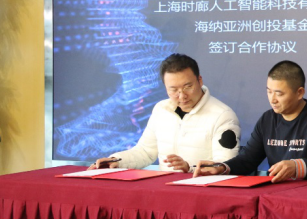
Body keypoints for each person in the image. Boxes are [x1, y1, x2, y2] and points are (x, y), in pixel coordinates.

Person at [194, 60, 307, 182]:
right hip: (277, 192)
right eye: (269, 91)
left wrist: (297, 166)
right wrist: (222, 168)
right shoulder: (267, 119)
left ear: (299, 93)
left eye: (279, 94)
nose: (272, 99)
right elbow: (247, 160)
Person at [89, 53, 240, 172]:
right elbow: (145, 152)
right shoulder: (161, 110)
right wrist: (116, 161)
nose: (182, 96)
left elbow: (225, 165)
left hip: (203, 192)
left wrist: (189, 168)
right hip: (164, 189)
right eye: (173, 90)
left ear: (200, 81)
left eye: (188, 87)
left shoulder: (222, 115)